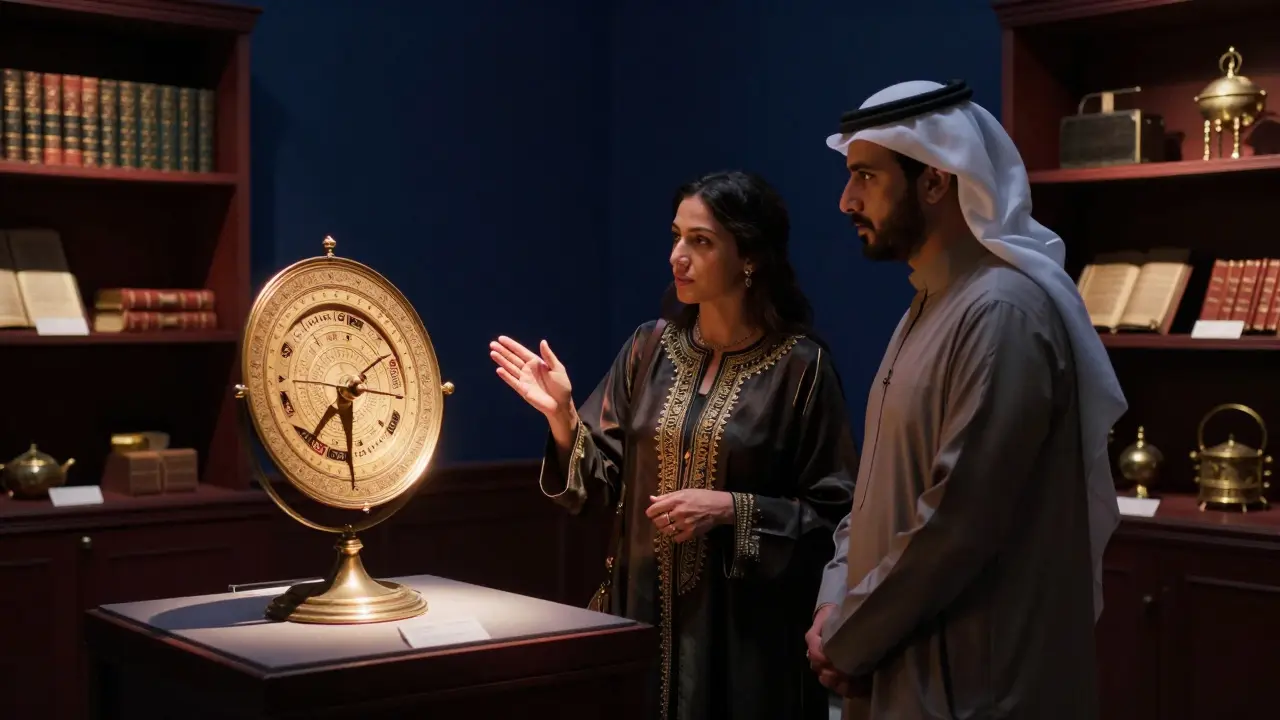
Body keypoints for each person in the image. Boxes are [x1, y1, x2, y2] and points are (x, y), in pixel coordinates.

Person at [804, 80, 1127, 720]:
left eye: (866, 176)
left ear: (935, 180)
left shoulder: (1002, 312)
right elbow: (872, 491)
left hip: (974, 685)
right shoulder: (927, 305)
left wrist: (848, 636)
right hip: (893, 659)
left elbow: (957, 523)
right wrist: (834, 599)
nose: (846, 201)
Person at [490, 170, 858, 720]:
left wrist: (732, 508)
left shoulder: (800, 369)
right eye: (676, 236)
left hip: (743, 644)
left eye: (700, 241)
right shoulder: (649, 348)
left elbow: (835, 514)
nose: (677, 257)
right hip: (641, 616)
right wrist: (562, 416)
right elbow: (599, 487)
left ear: (749, 257)